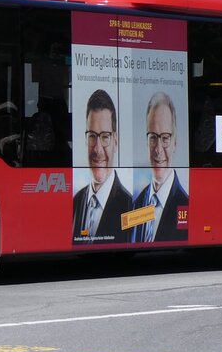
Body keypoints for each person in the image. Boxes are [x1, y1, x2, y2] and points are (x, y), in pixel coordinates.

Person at [72, 88, 131, 242]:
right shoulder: (76, 201)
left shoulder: (130, 204)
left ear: (115, 141)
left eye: (105, 137)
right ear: (85, 139)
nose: (98, 149)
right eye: (92, 136)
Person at [132, 92, 189, 242]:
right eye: (153, 138)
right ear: (146, 141)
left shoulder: (185, 203)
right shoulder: (135, 204)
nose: (158, 150)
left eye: (165, 138)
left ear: (175, 142)